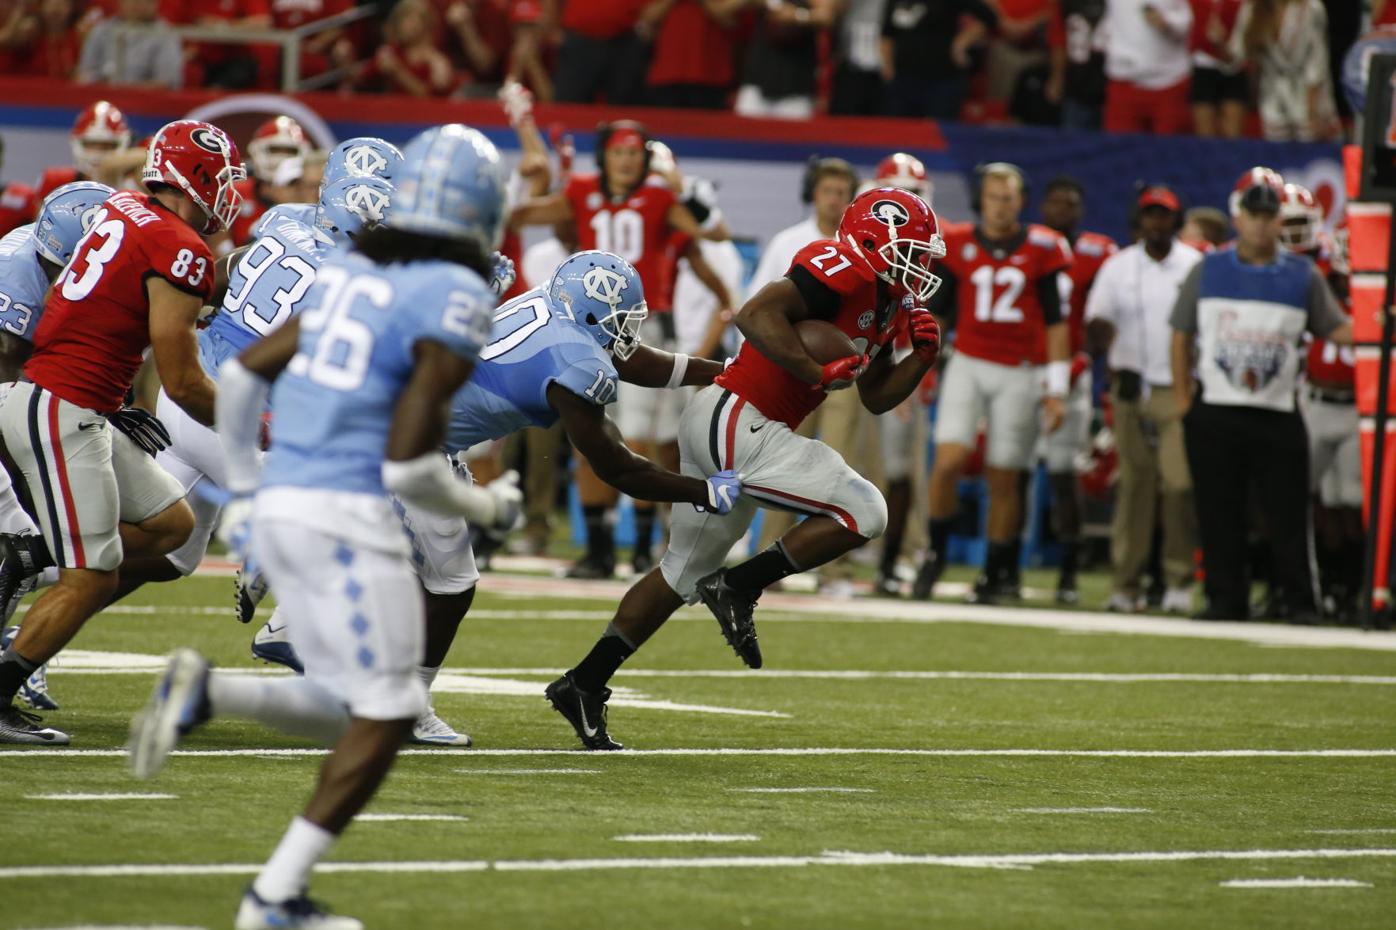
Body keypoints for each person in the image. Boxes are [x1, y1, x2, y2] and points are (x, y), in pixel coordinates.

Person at [128, 123, 510, 930]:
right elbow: (410, 465)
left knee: (366, 704)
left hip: (285, 489)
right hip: (347, 506)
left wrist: (252, 493)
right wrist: (484, 507)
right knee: (389, 710)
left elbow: (243, 378)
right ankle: (270, 895)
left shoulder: (337, 258)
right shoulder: (444, 291)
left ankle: (218, 717)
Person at [253, 251, 745, 741]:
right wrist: (700, 490)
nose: (628, 331)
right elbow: (616, 466)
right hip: (402, 446)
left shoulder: (552, 308)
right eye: (621, 320)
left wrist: (719, 370)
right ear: (592, 314)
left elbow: (631, 358)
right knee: (449, 582)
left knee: (408, 564)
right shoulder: (574, 360)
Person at [548, 187, 944, 751]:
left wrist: (921, 360)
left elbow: (876, 397)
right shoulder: (839, 266)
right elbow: (754, 315)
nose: (921, 265)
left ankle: (583, 682)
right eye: (912, 250)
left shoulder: (885, 301)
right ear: (874, 240)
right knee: (865, 510)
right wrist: (813, 368)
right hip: (740, 417)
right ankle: (739, 585)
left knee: (679, 574)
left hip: (734, 422)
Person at [0, 120, 243, 745]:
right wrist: (252, 429)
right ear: (198, 179)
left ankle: (24, 556)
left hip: (77, 400)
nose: (232, 194)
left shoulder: (125, 207)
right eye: (222, 179)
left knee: (172, 527)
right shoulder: (179, 246)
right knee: (93, 575)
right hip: (61, 403)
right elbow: (185, 382)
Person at [508, 120, 728, 579]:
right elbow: (523, 215)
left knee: (639, 437)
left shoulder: (660, 197)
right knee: (591, 434)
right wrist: (527, 175)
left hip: (640, 327)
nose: (627, 161)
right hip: (587, 330)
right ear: (604, 155)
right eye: (619, 152)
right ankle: (599, 548)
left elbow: (713, 234)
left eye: (634, 153)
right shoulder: (581, 190)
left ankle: (644, 548)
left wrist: (681, 189)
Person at [1170, 169, 1355, 623]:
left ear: (1279, 221)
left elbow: (1337, 329)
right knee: (1219, 512)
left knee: (1288, 513)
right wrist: (1182, 398)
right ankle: (1224, 598)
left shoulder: (1301, 274)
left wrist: (1377, 316)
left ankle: (1298, 601)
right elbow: (1180, 334)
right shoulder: (1209, 268)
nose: (1260, 224)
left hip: (1276, 408)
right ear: (1239, 218)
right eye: (1253, 215)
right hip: (1216, 407)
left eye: (1268, 216)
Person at [912, 163, 1071, 604]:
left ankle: (995, 570)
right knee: (947, 462)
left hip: (1020, 369)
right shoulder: (959, 243)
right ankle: (935, 555)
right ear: (981, 201)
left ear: (1020, 202)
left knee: (1004, 475)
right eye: (993, 197)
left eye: (1008, 197)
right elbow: (936, 316)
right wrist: (913, 371)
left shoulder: (1043, 248)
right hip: (968, 361)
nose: (1000, 205)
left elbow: (1057, 324)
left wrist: (1056, 388)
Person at [0, 181, 115, 712]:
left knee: (28, 547)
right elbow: (9, 374)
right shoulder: (16, 273)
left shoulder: (42, 250)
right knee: (21, 545)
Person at [1084, 185, 1201, 613]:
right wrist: (1106, 351)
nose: (1157, 222)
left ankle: (1178, 580)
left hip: (1176, 385)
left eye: (1164, 215)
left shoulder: (1194, 265)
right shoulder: (1118, 266)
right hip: (1130, 387)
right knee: (1134, 487)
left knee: (1179, 483)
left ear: (1176, 220)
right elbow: (1096, 321)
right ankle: (1126, 585)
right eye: (1150, 214)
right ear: (1139, 219)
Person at [749, 157, 863, 591]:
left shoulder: (861, 244)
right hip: (793, 368)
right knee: (780, 462)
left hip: (845, 369)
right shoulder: (788, 242)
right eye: (828, 191)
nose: (835, 200)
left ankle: (834, 568)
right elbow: (756, 304)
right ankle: (767, 560)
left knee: (839, 465)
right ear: (813, 194)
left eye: (842, 192)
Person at [1283, 186, 1361, 620]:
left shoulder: (1376, 288)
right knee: (1305, 500)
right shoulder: (1312, 278)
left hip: (1358, 405)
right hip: (1312, 400)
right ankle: (1321, 585)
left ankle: (1353, 588)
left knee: (1349, 501)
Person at [1037, 175, 1116, 604]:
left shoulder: (1098, 252)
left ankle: (1069, 569)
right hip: (1027, 368)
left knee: (1065, 473)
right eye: (1055, 201)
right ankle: (1004, 567)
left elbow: (1104, 320)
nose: (1062, 209)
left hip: (1073, 370)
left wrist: (1083, 360)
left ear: (1080, 210)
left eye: (1071, 203)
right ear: (1043, 207)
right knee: (1007, 471)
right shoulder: (1028, 245)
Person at [868, 153, 934, 596]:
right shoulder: (857, 246)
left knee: (898, 469)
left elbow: (931, 315)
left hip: (892, 366)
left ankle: (894, 558)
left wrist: (913, 374)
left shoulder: (929, 250)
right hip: (854, 361)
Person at [1229, 0, 1338, 142]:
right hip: (1272, 96)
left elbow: (1317, 60)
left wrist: (1311, 110)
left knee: (1312, 154)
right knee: (1277, 157)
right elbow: (1237, 53)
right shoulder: (1250, 9)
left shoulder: (1311, 7)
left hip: (1309, 93)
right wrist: (1219, 44)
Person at [880, 0, 995, 120]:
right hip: (903, 79)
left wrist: (961, 43)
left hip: (942, 79)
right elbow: (886, 34)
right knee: (900, 131)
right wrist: (888, 67)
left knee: (940, 129)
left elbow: (989, 17)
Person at [735, 0, 842, 118]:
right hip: (758, 79)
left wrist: (796, 15)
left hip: (797, 82)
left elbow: (827, 16)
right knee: (745, 133)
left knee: (795, 135)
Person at [1098, 0, 1193, 134]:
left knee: (1170, 151)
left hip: (1169, 81)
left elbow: (1188, 18)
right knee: (1119, 150)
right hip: (1124, 81)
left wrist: (1167, 23)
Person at [227, 116, 313, 247]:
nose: (281, 158)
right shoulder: (234, 193)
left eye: (290, 151)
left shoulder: (310, 198)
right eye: (274, 149)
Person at [31, 101, 129, 212]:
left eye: (107, 146)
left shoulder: (133, 183)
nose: (97, 154)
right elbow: (39, 226)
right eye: (91, 145)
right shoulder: (56, 182)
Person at [77, 0, 183, 88]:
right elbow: (84, 73)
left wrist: (123, 93)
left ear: (156, 3)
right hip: (101, 99)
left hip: (145, 107)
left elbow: (165, 84)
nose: (138, 3)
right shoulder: (101, 30)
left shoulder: (166, 35)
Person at [1045, 0, 1107, 130]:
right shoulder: (1066, 3)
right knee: (1073, 142)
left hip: (1113, 84)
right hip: (1077, 84)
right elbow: (1059, 39)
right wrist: (1057, 77)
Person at [1187, 0, 1245, 138]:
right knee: (1205, 134)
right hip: (1203, 65)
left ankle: (1233, 159)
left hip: (1234, 66)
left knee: (1233, 134)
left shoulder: (1239, 4)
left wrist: (1223, 45)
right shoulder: (1195, 3)